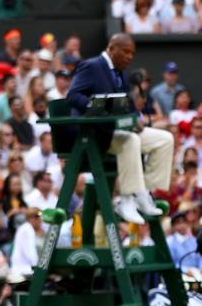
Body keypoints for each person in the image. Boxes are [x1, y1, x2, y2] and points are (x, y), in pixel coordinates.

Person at [67, 34, 173, 225]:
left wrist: (136, 118)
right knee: (130, 141)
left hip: (117, 131)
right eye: (126, 51)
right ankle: (125, 201)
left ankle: (143, 194)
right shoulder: (91, 66)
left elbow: (127, 104)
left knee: (165, 139)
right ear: (112, 48)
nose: (130, 57)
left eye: (132, 53)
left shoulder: (121, 72)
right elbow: (73, 96)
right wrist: (99, 106)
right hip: (93, 134)